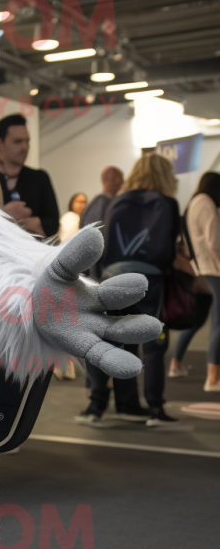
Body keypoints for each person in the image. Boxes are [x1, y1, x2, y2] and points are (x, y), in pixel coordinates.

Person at [80, 153, 180, 426]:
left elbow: (105, 242)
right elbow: (169, 249)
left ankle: (100, 406)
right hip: (150, 280)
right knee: (154, 344)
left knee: (114, 342)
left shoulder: (118, 201)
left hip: (114, 276)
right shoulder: (167, 203)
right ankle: (156, 408)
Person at [0, 114, 60, 237]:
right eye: (18, 141)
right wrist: (3, 215)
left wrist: (36, 223)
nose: (25, 147)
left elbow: (53, 223)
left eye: (27, 141)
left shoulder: (39, 178)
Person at [184, 171, 220, 391]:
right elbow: (214, 242)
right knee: (218, 322)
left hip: (205, 268)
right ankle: (213, 378)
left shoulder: (195, 202)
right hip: (214, 269)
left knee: (210, 321)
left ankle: (212, 375)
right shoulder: (206, 203)